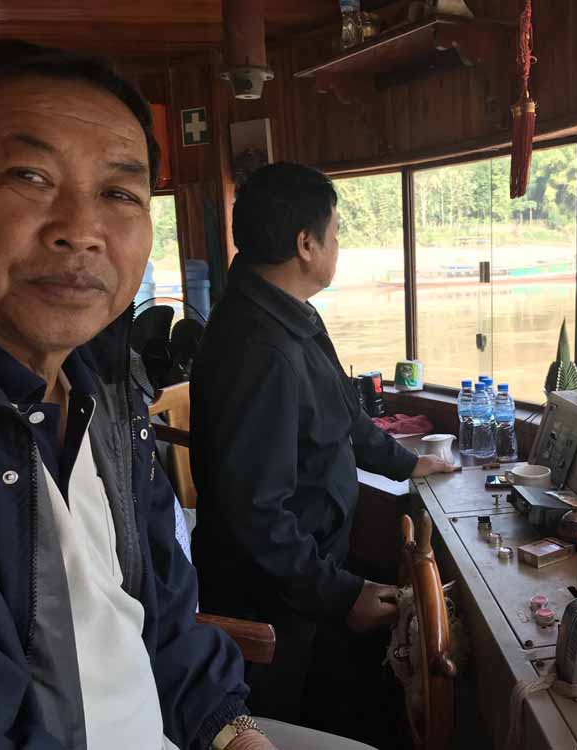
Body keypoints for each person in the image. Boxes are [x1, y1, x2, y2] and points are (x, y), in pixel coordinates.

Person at [0, 41, 374, 750]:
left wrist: (229, 730)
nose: (81, 230)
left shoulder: (105, 399)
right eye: (29, 175)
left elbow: (162, 609)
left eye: (119, 192)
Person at [189, 163, 454, 737]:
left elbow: (345, 418)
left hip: (309, 571)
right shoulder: (259, 348)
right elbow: (254, 515)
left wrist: (411, 464)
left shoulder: (289, 316)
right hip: (274, 599)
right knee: (293, 721)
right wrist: (340, 595)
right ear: (305, 244)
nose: (338, 245)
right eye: (334, 233)